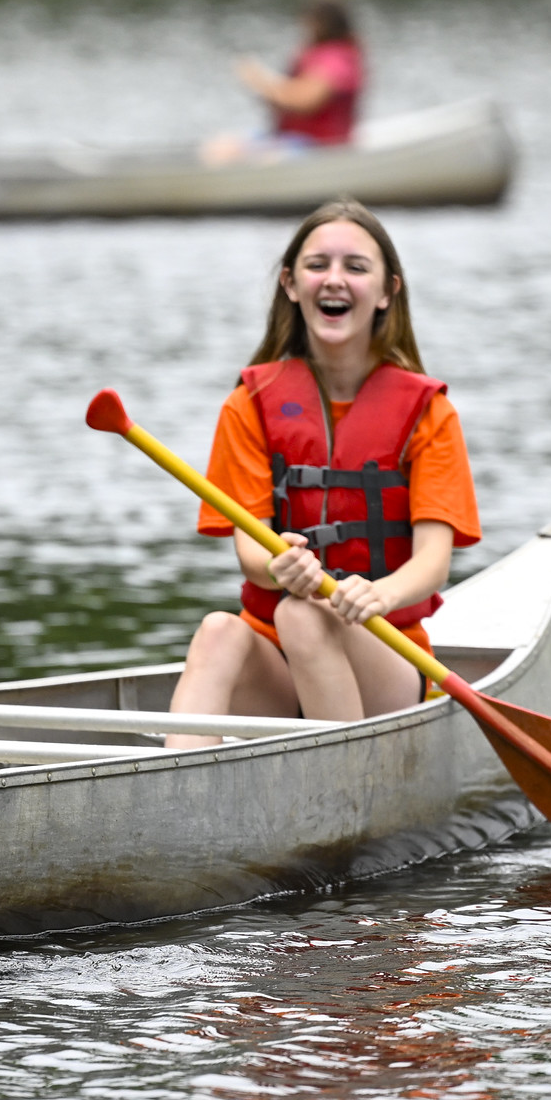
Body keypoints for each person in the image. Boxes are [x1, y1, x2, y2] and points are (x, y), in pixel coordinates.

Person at [164, 199, 479, 749]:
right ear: (290, 283)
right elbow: (250, 552)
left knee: (307, 616)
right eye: (317, 265)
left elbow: (432, 562)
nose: (334, 279)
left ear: (386, 293)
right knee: (219, 630)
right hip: (277, 666)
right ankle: (172, 798)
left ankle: (346, 791)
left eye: (356, 267)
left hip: (385, 652)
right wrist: (279, 565)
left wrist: (378, 595)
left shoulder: (429, 412)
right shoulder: (250, 403)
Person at [202, 0, 365, 164]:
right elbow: (291, 96)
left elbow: (306, 100)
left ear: (321, 22)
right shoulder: (321, 52)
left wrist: (260, 82)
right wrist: (264, 87)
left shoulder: (337, 58)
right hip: (292, 137)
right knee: (219, 145)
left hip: (320, 145)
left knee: (230, 153)